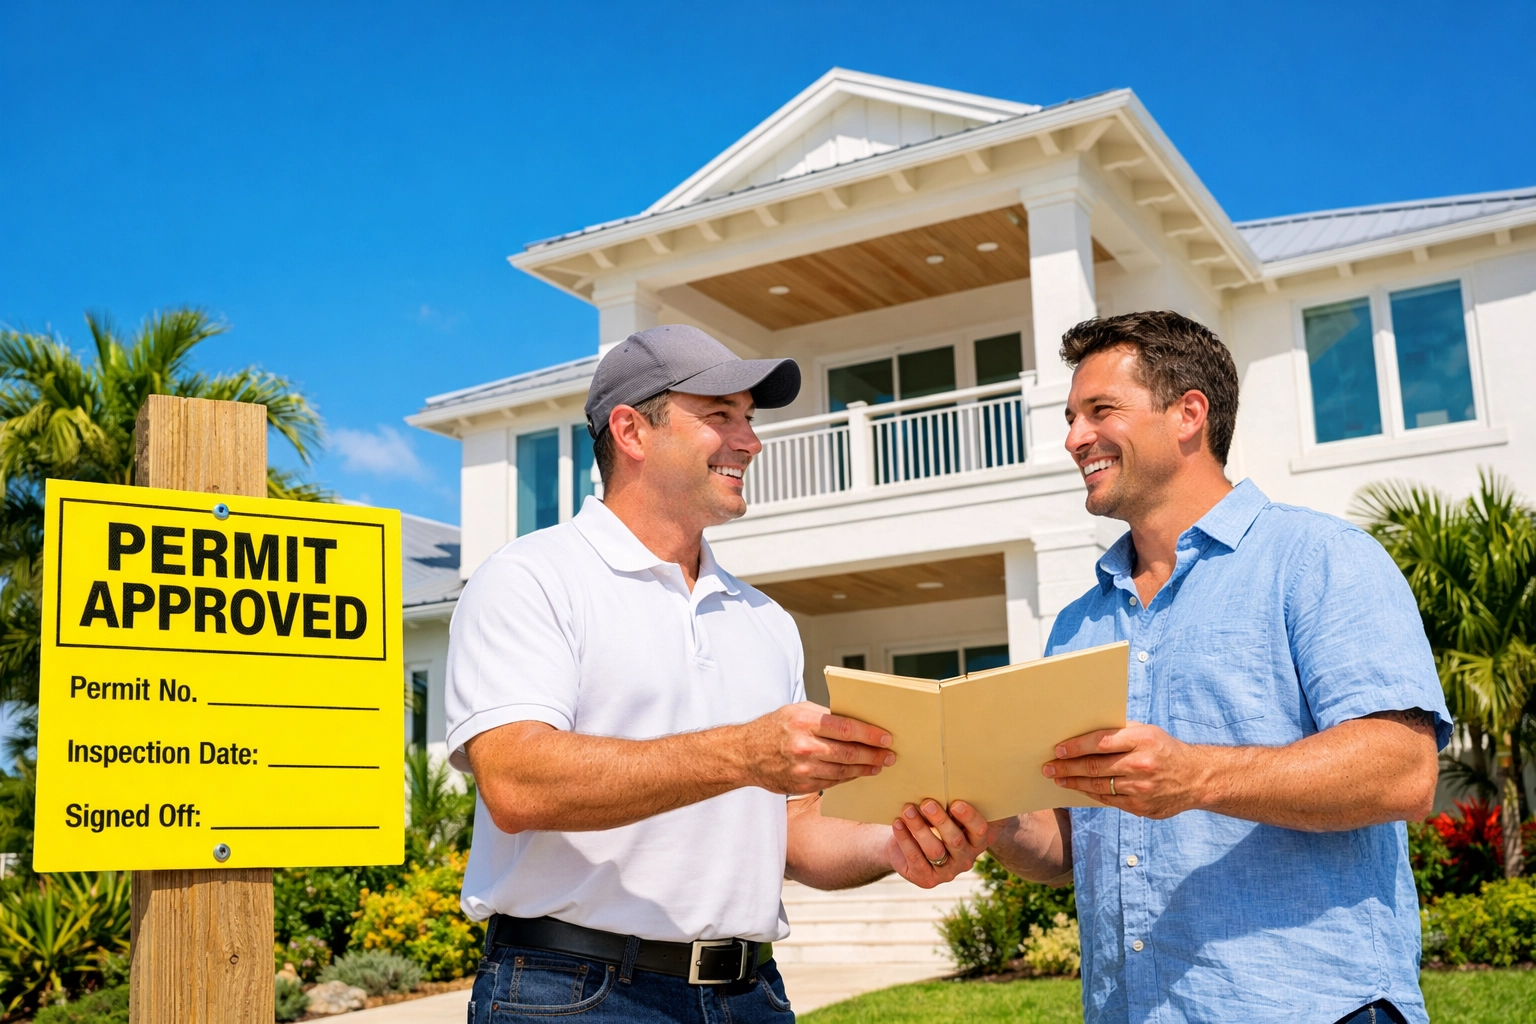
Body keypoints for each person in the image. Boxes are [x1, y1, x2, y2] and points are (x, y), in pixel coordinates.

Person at [447, 324, 991, 1024]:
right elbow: (516, 782)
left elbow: (794, 831)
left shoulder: (763, 619)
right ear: (631, 430)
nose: (751, 442)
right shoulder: (531, 578)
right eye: (720, 417)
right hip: (577, 996)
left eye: (750, 419)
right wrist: (742, 754)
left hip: (750, 995)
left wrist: (895, 845)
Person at [984, 311, 1450, 1024]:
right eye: (1071, 417)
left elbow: (1402, 770)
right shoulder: (1079, 623)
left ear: (1188, 415)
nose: (1074, 438)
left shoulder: (1320, 559)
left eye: (1099, 410)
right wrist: (990, 825)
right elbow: (1070, 842)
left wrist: (1195, 776)